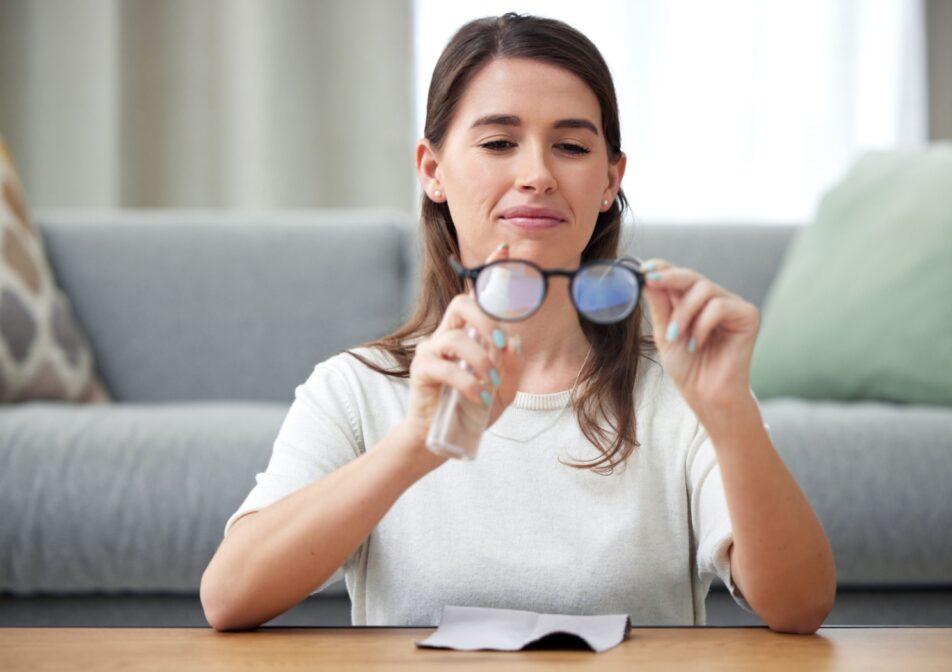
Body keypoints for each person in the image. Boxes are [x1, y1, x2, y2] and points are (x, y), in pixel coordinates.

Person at [200, 12, 835, 633]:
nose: (536, 175)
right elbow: (229, 597)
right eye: (499, 143)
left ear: (611, 178)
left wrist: (730, 415)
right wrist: (414, 445)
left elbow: (801, 607)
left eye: (571, 146)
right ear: (432, 170)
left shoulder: (684, 388)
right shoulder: (355, 389)